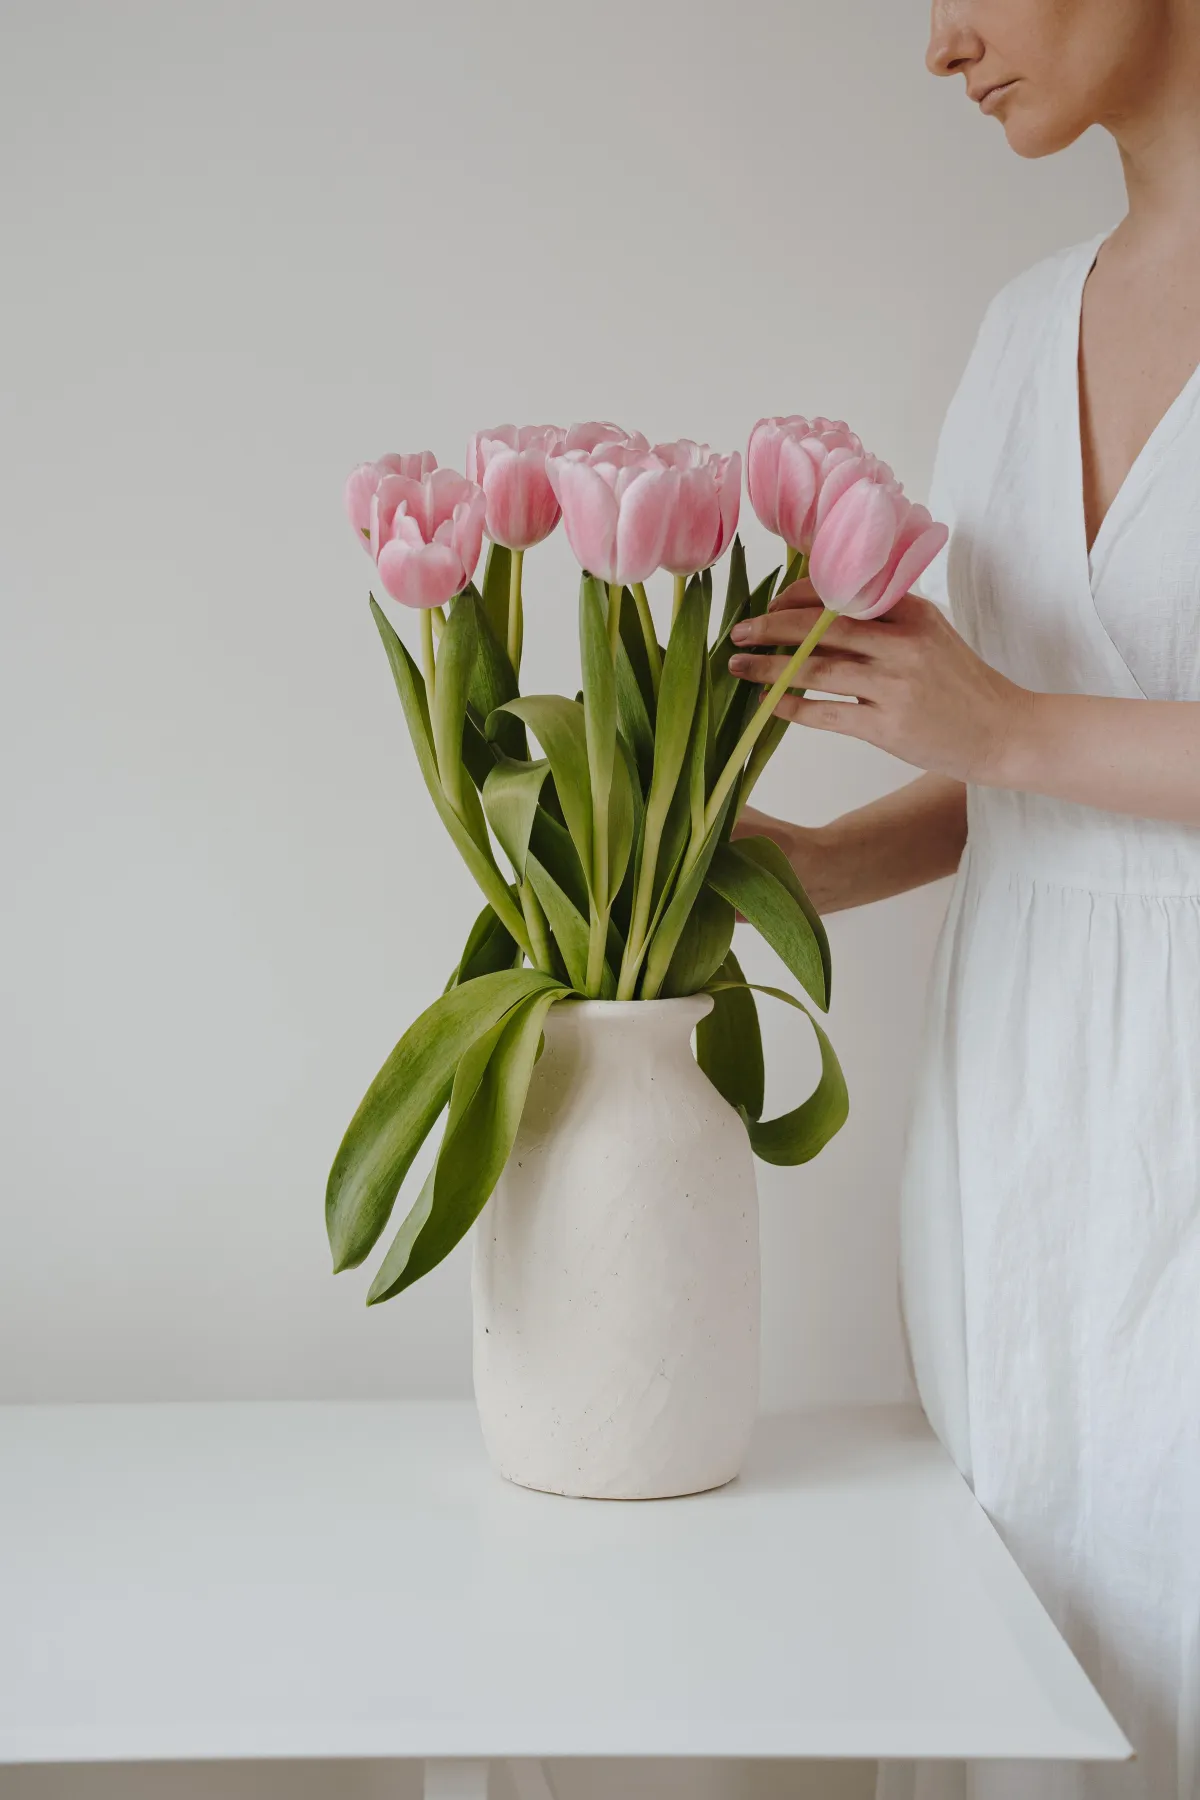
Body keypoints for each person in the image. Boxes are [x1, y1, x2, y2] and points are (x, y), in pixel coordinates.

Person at [729, 3, 1200, 1795]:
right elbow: (1049, 780)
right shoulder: (1019, 333)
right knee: (1018, 1669)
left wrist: (1000, 717)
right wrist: (817, 865)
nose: (941, 44)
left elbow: (1030, 730)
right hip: (1021, 1123)